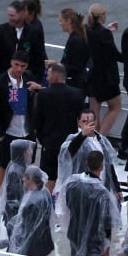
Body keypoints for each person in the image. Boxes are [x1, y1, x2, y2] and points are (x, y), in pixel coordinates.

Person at [63, 150, 118, 256]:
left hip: (75, 232)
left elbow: (66, 206)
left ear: (87, 163)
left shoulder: (73, 183)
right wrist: (107, 242)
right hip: (94, 236)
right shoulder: (101, 191)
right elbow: (106, 218)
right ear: (102, 167)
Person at [57, 110, 122, 220]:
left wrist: (117, 187)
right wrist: (82, 135)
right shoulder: (74, 138)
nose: (87, 124)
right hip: (81, 190)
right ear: (78, 123)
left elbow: (109, 164)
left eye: (90, 121)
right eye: (83, 121)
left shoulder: (102, 140)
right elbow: (68, 153)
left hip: (101, 186)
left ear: (95, 122)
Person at [0, 50, 40, 189]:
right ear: (11, 62)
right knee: (3, 164)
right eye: (16, 65)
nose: (19, 69)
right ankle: (0, 195)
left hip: (27, 130)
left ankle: (23, 193)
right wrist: (0, 135)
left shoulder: (29, 78)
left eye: (22, 66)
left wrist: (38, 90)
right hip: (8, 131)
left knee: (28, 165)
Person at [29, 62, 83, 191]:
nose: (47, 78)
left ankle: (47, 206)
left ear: (55, 76)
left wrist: (43, 138)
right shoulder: (77, 94)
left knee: (48, 178)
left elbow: (38, 121)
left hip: (50, 142)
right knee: (69, 177)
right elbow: (80, 118)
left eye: (48, 74)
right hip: (70, 143)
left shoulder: (43, 95)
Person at [0, 139, 34, 256]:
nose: (31, 152)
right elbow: (15, 199)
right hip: (16, 220)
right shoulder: (17, 171)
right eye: (29, 150)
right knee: (13, 250)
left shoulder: (21, 168)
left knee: (22, 250)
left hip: (20, 218)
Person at [84, 3, 123, 136]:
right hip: (107, 79)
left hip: (92, 78)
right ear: (102, 16)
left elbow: (96, 40)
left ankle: (92, 140)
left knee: (94, 112)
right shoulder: (105, 34)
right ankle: (101, 138)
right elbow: (115, 54)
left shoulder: (86, 30)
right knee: (115, 107)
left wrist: (106, 29)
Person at [0, 0, 46, 79]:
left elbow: (39, 58)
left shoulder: (34, 32)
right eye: (9, 15)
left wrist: (36, 79)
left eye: (12, 16)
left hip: (26, 78)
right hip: (4, 77)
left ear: (22, 14)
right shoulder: (1, 30)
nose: (10, 18)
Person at [56, 8, 90, 90]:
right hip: (75, 83)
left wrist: (58, 66)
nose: (60, 23)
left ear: (69, 21)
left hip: (75, 85)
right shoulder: (75, 37)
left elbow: (76, 67)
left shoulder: (75, 40)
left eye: (61, 21)